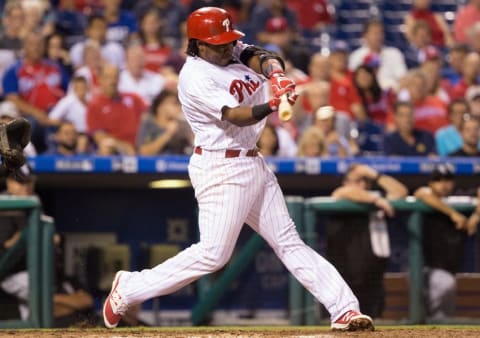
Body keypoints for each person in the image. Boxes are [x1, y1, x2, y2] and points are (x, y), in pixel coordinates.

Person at [103, 7, 374, 332]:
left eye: (228, 41)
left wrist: (277, 76)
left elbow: (263, 55)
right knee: (213, 254)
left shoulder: (229, 50)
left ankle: (344, 309)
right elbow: (236, 114)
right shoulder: (196, 77)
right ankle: (128, 289)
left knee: (289, 241)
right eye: (218, 43)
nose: (227, 47)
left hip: (252, 161)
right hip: (221, 166)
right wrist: (274, 104)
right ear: (198, 44)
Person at [328, 164, 408, 318]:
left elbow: (401, 192)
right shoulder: (344, 196)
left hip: (372, 280)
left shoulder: (373, 199)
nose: (363, 185)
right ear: (346, 182)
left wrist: (374, 175)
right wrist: (376, 199)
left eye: (366, 181)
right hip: (344, 284)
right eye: (358, 180)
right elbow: (341, 192)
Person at [414, 164, 478, 320]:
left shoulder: (460, 199)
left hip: (449, 268)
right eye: (438, 180)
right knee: (445, 285)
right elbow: (420, 193)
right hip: (426, 269)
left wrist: (476, 216)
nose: (443, 184)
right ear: (431, 183)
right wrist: (453, 214)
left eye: (447, 180)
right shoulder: (429, 200)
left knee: (444, 317)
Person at [86, 63, 147, 155]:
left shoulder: (133, 98)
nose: (112, 81)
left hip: (142, 146)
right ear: (100, 79)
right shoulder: (95, 105)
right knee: (106, 146)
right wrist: (125, 147)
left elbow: (148, 119)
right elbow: (100, 137)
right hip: (117, 150)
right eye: (108, 77)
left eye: (115, 77)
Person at [136, 89, 192, 155]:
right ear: (160, 106)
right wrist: (167, 134)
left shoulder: (183, 125)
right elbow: (143, 152)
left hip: (177, 164)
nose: (179, 107)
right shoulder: (148, 124)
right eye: (174, 103)